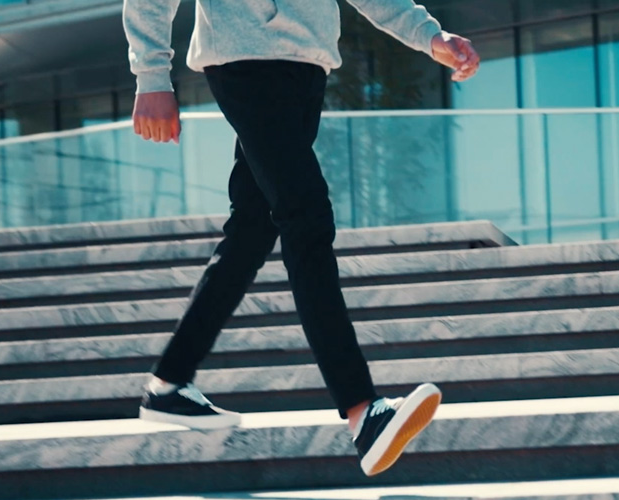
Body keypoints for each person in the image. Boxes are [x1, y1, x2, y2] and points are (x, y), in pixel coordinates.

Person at [122, 0, 479, 477]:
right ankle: (362, 412)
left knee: (252, 228)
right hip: (245, 61)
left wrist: (430, 36)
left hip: (308, 67)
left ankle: (168, 384)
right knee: (306, 217)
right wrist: (151, 78)